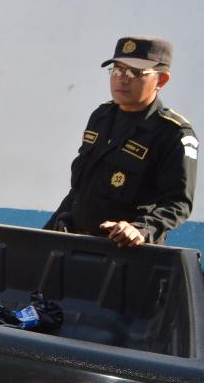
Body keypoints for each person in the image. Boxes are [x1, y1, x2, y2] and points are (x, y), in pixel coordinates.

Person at [45, 36, 197, 247]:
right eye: (117, 70)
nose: (122, 79)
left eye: (135, 72)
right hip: (77, 245)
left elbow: (178, 203)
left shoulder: (172, 133)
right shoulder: (101, 116)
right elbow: (80, 189)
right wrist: (48, 232)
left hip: (128, 255)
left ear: (161, 80)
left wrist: (142, 229)